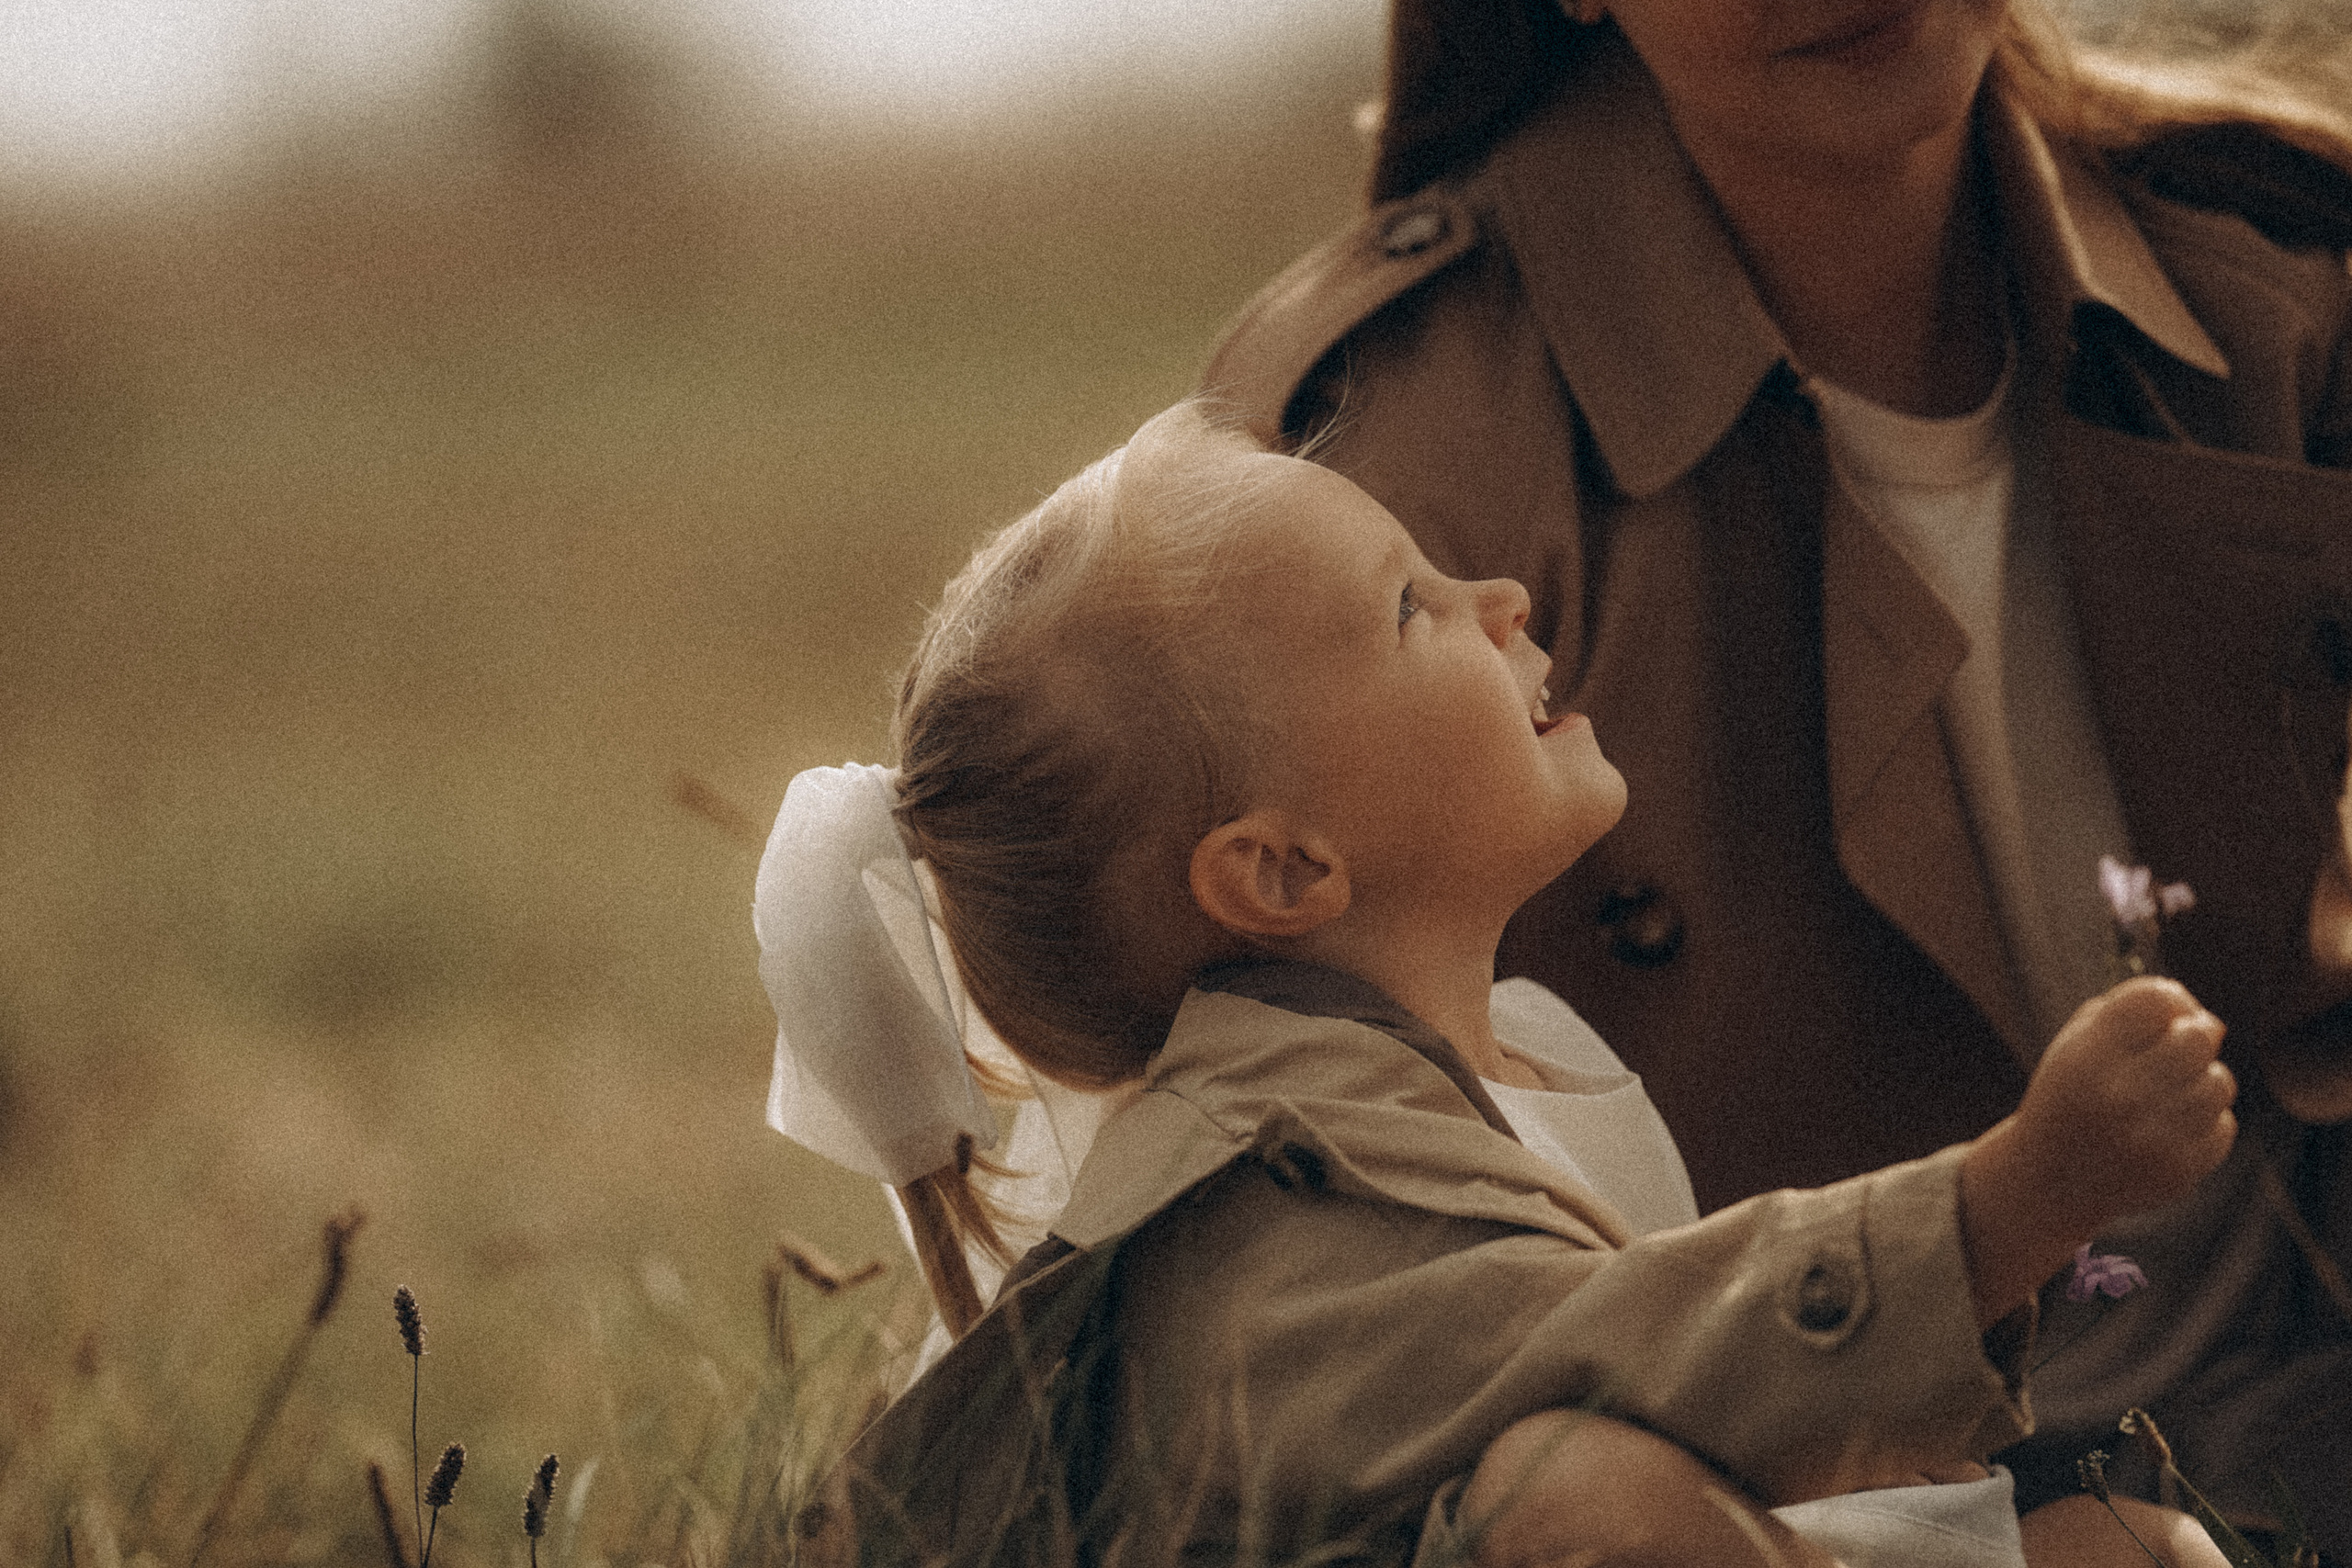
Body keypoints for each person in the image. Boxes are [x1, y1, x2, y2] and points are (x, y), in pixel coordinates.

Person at [1202, 0, 2352, 1544]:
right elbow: (1306, 1248)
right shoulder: (1388, 441)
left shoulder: (2281, 266)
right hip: (1813, 1464)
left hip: (2302, 1369)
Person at [753, 400, 2238, 1566]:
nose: (1504, 596)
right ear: (1284, 872)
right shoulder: (1271, 1187)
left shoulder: (1506, 1055)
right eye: (1411, 607)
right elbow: (1608, 1360)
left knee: (2132, 1548)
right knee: (1578, 1495)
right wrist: (2014, 1202)